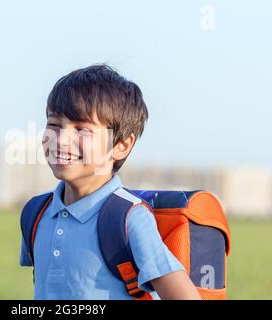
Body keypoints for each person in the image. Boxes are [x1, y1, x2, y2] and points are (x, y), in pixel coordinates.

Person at [19, 64, 201, 300]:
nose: (62, 140)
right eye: (54, 125)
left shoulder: (128, 217)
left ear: (121, 145)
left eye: (82, 129)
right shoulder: (36, 213)